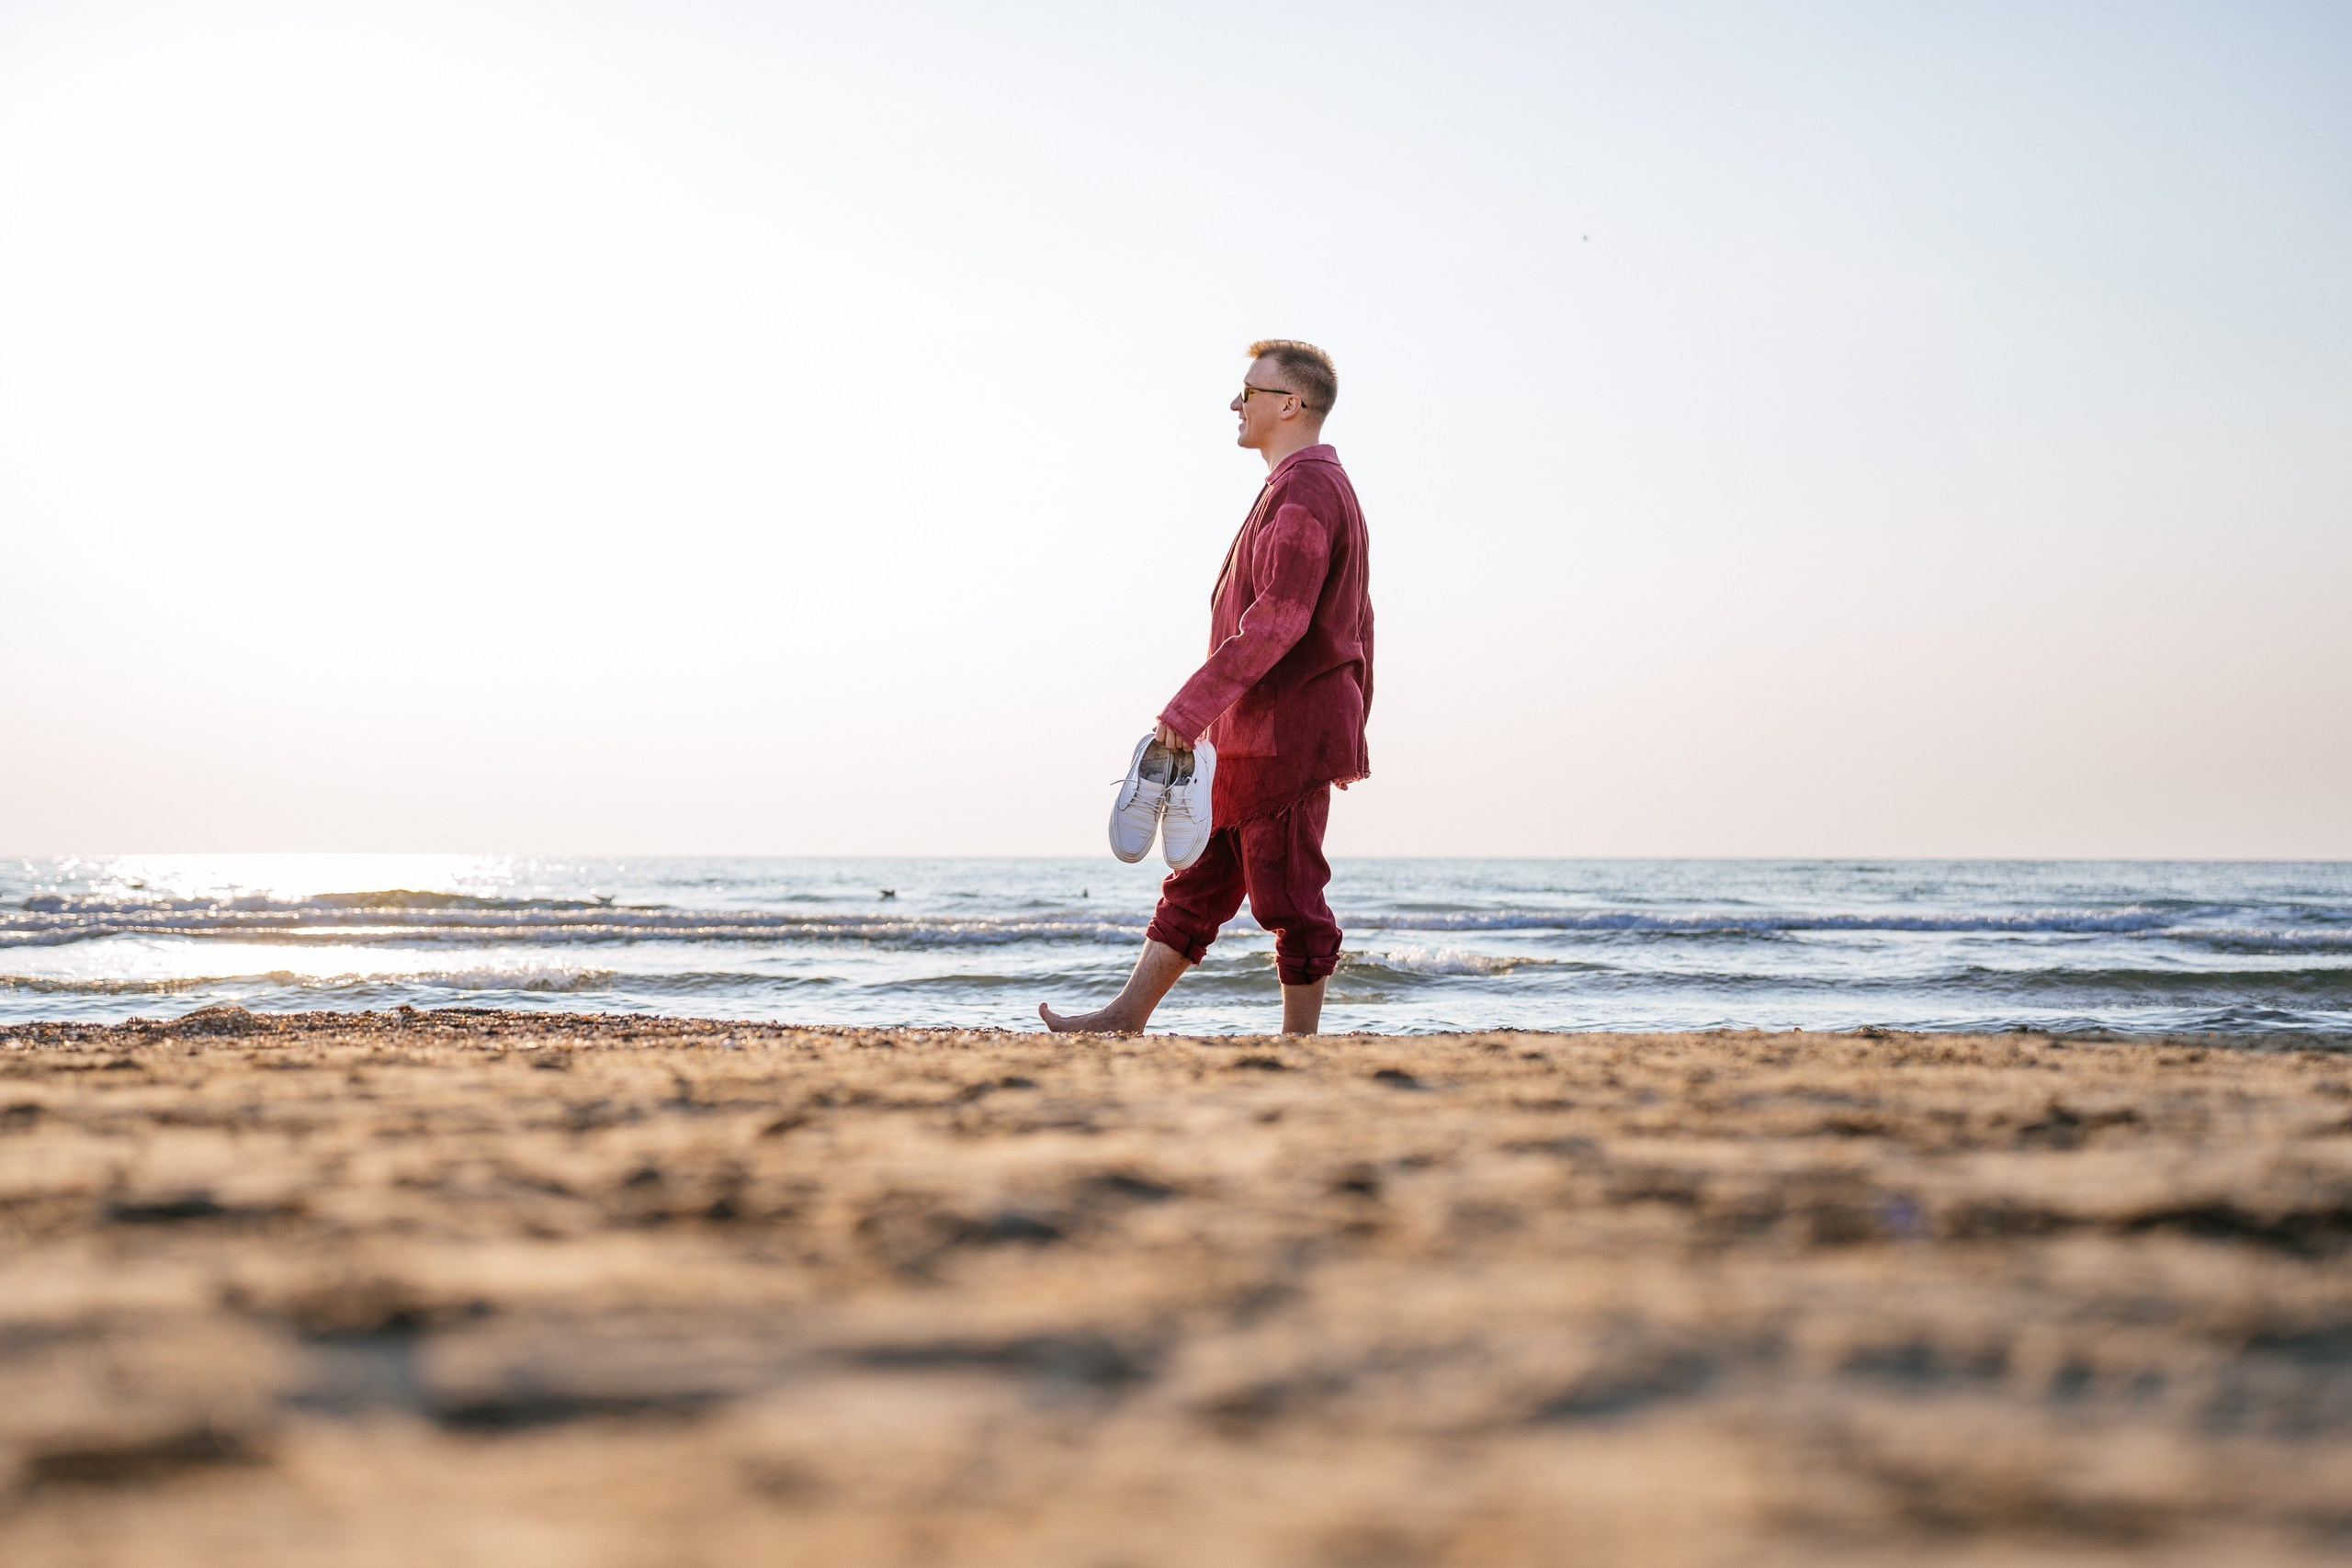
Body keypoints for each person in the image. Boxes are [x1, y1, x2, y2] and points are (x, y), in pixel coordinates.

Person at [1041, 340, 1374, 1036]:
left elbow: (1279, 621)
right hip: (1247, 733)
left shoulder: (1308, 491)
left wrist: (1189, 709)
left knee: (1289, 894)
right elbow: (1355, 622)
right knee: (1197, 885)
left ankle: (1300, 1046)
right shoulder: (1294, 488)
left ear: (1291, 403)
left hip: (1284, 735)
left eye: (1249, 392)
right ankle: (1123, 1018)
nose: (1235, 403)